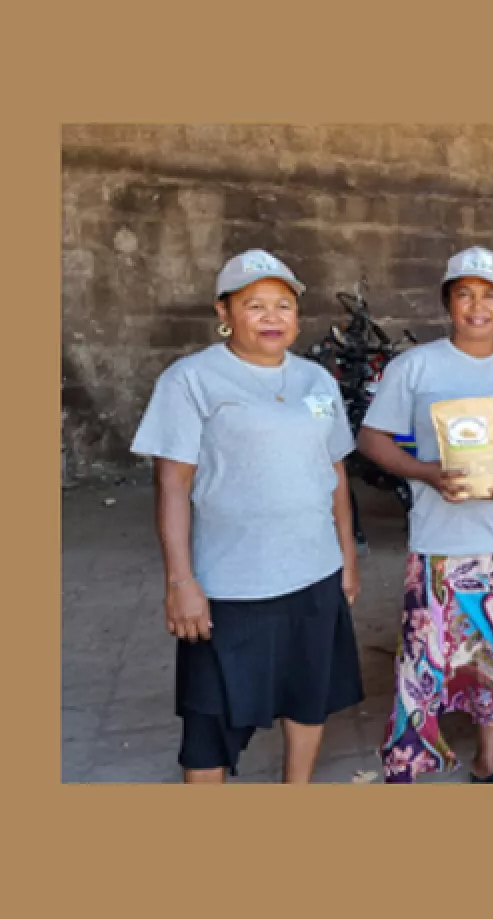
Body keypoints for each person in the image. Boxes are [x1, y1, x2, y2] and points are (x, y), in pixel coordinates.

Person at [131, 249, 365, 784]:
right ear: (224, 311)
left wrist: (347, 560)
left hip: (313, 573)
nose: (271, 317)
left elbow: (335, 474)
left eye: (283, 305)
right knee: (209, 722)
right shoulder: (190, 380)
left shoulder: (316, 382)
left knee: (308, 699)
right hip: (230, 586)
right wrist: (180, 582)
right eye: (254, 305)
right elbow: (173, 483)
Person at [358, 247, 493, 783]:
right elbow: (370, 439)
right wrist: (425, 471)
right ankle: (414, 755)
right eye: (465, 294)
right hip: (444, 538)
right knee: (428, 653)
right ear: (447, 302)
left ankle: (489, 760)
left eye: (491, 296)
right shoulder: (416, 367)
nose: (478, 307)